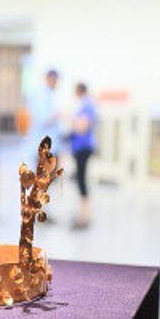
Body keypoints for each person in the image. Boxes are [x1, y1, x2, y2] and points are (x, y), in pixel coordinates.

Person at [70, 82, 98, 229]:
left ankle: (84, 216)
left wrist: (71, 120)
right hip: (80, 148)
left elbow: (82, 127)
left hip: (83, 148)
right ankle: (83, 214)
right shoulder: (85, 105)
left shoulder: (87, 105)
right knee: (80, 180)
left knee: (82, 181)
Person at [24, 69, 62, 168]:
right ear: (49, 79)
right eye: (54, 80)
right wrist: (57, 115)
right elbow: (42, 119)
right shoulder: (40, 95)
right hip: (42, 143)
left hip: (51, 144)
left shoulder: (51, 94)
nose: (55, 83)